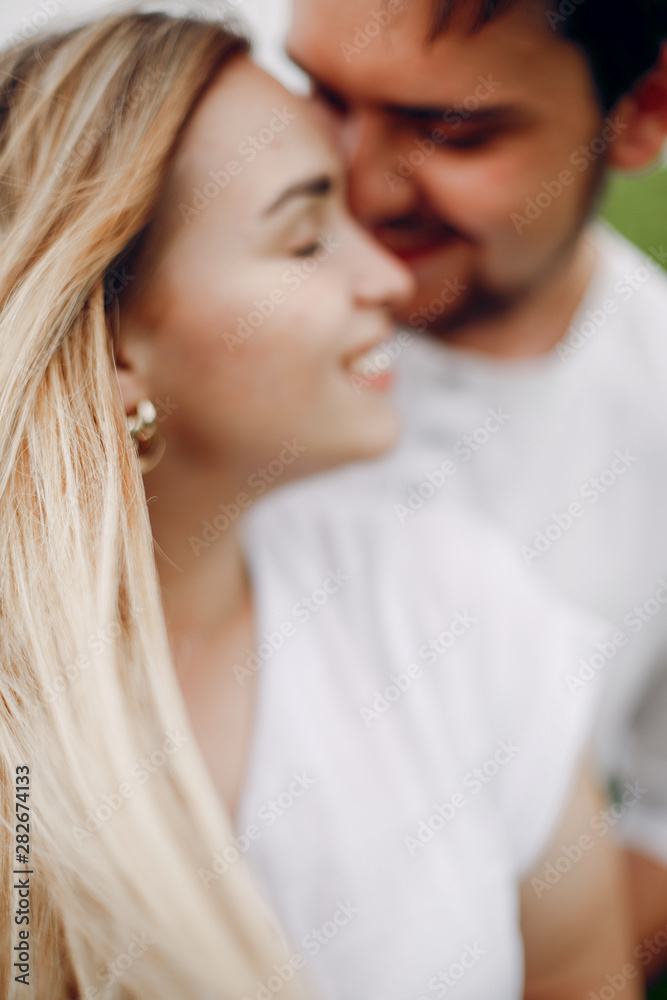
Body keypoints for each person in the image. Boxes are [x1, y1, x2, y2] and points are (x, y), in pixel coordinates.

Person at [0, 8, 639, 999]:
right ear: (112, 344)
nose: (386, 270)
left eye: (452, 126)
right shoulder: (30, 758)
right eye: (305, 238)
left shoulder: (457, 607)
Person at [282, 0, 667, 976]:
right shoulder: (188, 318)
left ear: (642, 112)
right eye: (321, 93)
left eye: (451, 130)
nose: (358, 184)